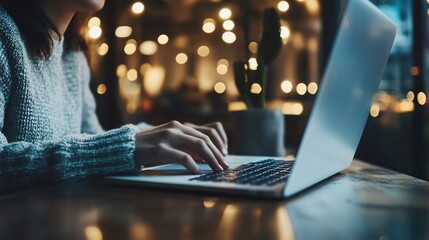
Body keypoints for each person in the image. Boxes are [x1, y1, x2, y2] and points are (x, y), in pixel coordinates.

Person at [0, 0, 229, 193]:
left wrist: (168, 137)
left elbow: (90, 142)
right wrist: (127, 146)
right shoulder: (4, 35)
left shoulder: (73, 54)